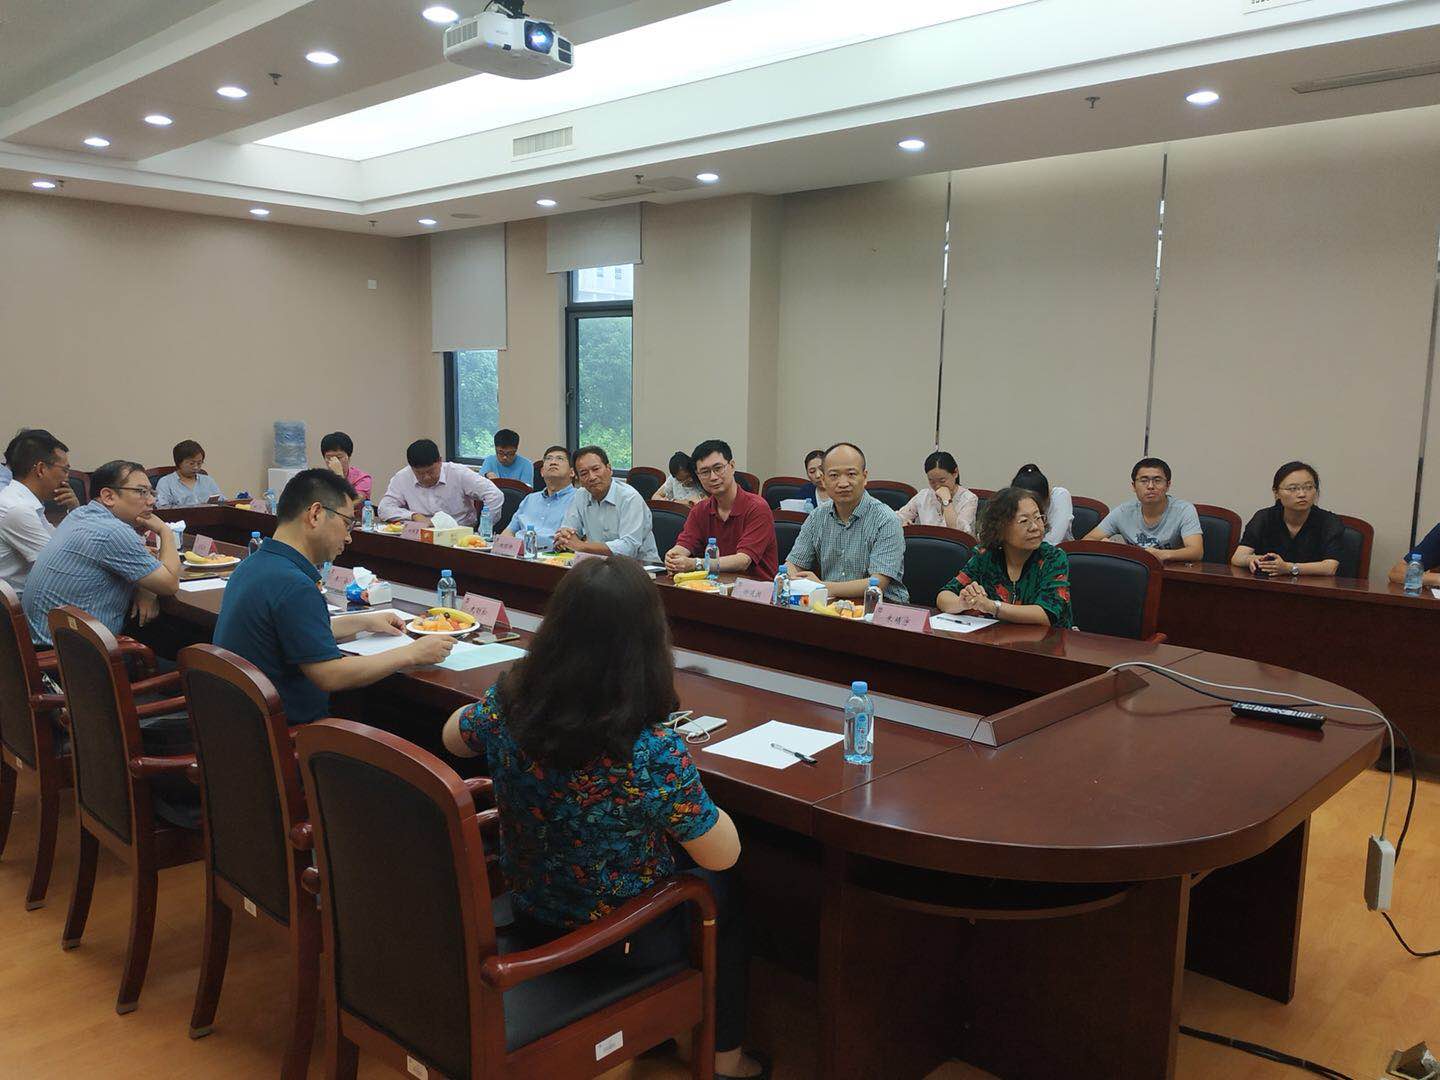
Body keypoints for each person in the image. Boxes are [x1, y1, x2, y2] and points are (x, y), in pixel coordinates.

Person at [441, 557, 766, 1080]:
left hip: (530, 905)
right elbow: (723, 853)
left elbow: (453, 738)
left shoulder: (509, 702)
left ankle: (672, 1030)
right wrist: (687, 795)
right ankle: (723, 1059)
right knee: (721, 889)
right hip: (621, 935)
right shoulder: (648, 749)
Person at [215, 469, 455, 726]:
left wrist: (365, 622)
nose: (349, 537)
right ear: (316, 514)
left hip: (238, 726)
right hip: (288, 735)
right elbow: (330, 675)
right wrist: (412, 653)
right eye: (347, 523)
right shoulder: (294, 585)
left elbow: (295, 631)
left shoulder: (254, 564)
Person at [23, 460, 181, 648]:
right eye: (141, 492)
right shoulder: (112, 531)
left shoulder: (80, 514)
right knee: (179, 641)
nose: (151, 500)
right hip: (75, 655)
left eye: (151, 492)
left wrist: (146, 589)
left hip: (44, 643)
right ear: (108, 496)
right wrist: (165, 531)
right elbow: (170, 584)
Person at [786, 442, 908, 602]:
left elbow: (878, 583)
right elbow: (793, 564)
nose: (843, 483)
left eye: (851, 474)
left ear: (865, 477)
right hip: (831, 605)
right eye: (834, 476)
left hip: (881, 606)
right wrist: (791, 577)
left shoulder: (886, 519)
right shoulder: (817, 516)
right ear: (823, 480)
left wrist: (821, 586)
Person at [936, 487, 1073, 627]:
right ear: (1000, 528)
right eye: (1024, 521)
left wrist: (993, 607)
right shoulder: (986, 556)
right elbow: (944, 596)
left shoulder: (1052, 558)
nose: (1035, 527)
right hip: (996, 638)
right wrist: (964, 602)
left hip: (1046, 640)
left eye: (1038, 518)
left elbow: (1046, 614)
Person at [664, 439, 779, 581]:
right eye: (705, 472)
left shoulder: (757, 508)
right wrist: (674, 556)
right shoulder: (700, 510)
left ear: (732, 466)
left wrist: (696, 564)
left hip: (755, 590)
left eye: (718, 468)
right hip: (712, 588)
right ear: (698, 476)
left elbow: (743, 560)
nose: (713, 477)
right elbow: (685, 544)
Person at [1231, 461, 1344, 577]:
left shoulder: (1329, 521)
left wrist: (1288, 568)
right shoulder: (1264, 517)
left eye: (1309, 487)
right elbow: (1237, 557)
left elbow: (1330, 567)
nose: (1302, 494)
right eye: (1293, 488)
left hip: (1314, 586)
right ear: (1276, 493)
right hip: (1271, 584)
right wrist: (1255, 559)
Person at [1084, 457, 1203, 563]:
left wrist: (1162, 555)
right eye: (1144, 481)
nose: (1150, 486)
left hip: (1170, 574)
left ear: (1168, 485)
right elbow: (1087, 540)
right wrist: (1106, 547)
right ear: (1133, 486)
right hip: (1133, 573)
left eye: (1157, 480)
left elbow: (1196, 551)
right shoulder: (1123, 511)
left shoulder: (1184, 510)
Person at [554, 446, 660, 562]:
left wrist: (581, 546)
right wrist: (564, 537)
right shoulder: (581, 495)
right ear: (578, 479)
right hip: (599, 565)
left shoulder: (629, 498)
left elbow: (628, 548)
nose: (592, 477)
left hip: (640, 567)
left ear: (609, 469)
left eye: (596, 469)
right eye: (584, 473)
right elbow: (569, 529)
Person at [0, 430, 71, 595]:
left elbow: (60, 543)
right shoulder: (17, 509)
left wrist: (75, 509)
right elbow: (59, 566)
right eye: (65, 470)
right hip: (20, 605)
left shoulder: (25, 502)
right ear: (41, 469)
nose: (67, 479)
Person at [377, 438, 503, 527]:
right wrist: (414, 516)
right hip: (420, 536)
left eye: (430, 471)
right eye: (420, 473)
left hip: (458, 534)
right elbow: (384, 508)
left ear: (440, 461)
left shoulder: (458, 473)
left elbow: (494, 495)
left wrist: (484, 528)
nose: (426, 477)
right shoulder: (403, 477)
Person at [501, 445, 576, 550]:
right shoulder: (529, 499)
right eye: (549, 459)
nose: (553, 462)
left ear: (572, 472)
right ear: (542, 472)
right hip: (518, 554)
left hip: (554, 556)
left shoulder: (579, 499)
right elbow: (509, 531)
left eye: (560, 458)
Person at [896, 451, 978, 533]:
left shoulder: (969, 499)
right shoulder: (924, 495)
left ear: (955, 473)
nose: (937, 486)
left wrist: (946, 500)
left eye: (942, 481)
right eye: (932, 481)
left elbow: (959, 533)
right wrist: (904, 523)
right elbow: (897, 518)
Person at [1010, 463, 1074, 545]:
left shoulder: (1060, 495)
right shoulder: (1010, 501)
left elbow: (1053, 541)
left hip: (1057, 550)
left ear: (1047, 497)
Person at [154, 439, 224, 508]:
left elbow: (223, 502)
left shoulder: (208, 481)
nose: (196, 467)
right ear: (179, 463)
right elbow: (162, 508)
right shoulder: (165, 483)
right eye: (191, 463)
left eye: (199, 463)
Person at [321, 431, 372, 501]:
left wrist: (339, 476)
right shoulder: (319, 480)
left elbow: (349, 503)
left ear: (349, 457)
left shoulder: (362, 479)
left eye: (339, 457)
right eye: (329, 457)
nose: (334, 461)